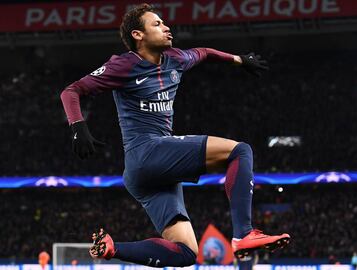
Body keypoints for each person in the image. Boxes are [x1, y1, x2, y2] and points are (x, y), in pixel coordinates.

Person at [60, 3, 290, 268]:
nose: (166, 27)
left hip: (147, 174)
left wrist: (239, 60)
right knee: (240, 151)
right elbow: (71, 91)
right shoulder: (123, 66)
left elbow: (204, 53)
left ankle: (113, 248)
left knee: (185, 253)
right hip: (146, 152)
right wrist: (78, 127)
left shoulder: (176, 59)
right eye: (157, 24)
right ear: (138, 35)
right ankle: (244, 234)